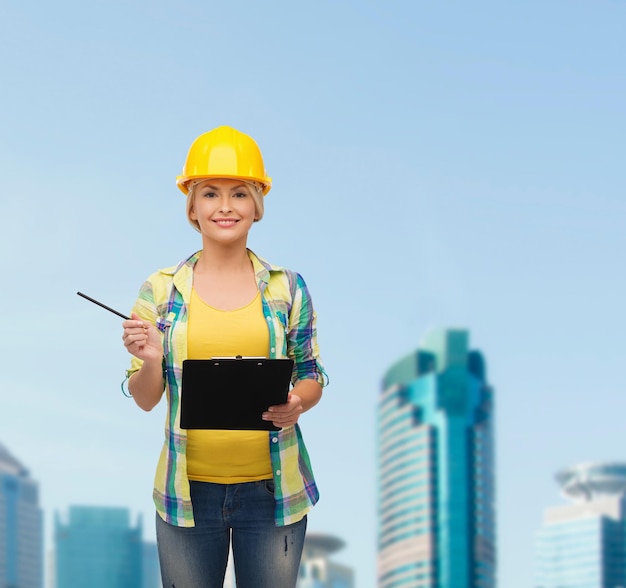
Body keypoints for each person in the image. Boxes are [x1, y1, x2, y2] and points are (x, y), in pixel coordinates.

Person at [121, 126, 327, 588]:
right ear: (192, 206)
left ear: (258, 204)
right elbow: (145, 398)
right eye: (210, 193)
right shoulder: (159, 290)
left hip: (272, 494)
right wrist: (150, 359)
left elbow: (311, 373)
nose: (225, 206)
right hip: (187, 494)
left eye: (240, 193)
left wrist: (298, 402)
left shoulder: (288, 288)